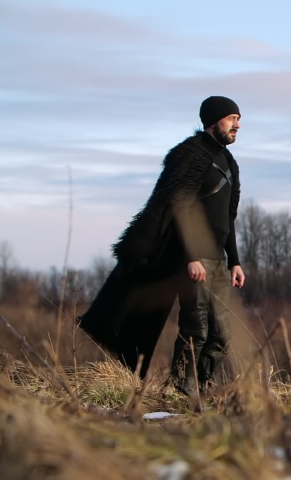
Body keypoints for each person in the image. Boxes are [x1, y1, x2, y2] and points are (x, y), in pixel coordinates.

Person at [78, 96, 245, 395]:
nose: (238, 125)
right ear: (213, 120)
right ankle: (184, 389)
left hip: (218, 260)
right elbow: (177, 209)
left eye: (238, 118)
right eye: (232, 118)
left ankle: (203, 386)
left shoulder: (228, 162)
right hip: (192, 260)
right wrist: (190, 257)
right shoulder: (189, 155)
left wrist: (234, 260)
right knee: (197, 329)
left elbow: (227, 218)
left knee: (221, 335)